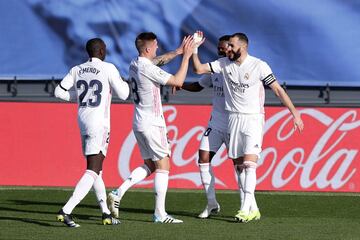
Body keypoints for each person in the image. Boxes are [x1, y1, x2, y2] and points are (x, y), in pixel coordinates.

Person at [192, 31, 304, 222]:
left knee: (250, 164)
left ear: (242, 47)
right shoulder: (223, 64)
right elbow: (199, 70)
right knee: (240, 166)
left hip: (253, 119)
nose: (228, 49)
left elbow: (277, 89)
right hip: (233, 120)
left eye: (232, 46)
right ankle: (253, 208)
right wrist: (194, 50)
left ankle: (245, 209)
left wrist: (295, 113)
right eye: (227, 46)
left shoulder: (259, 65)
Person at [107, 32, 195, 223]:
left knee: (150, 165)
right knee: (163, 166)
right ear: (148, 48)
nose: (157, 48)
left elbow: (157, 61)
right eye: (155, 45)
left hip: (139, 121)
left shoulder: (135, 63)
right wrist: (187, 56)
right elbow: (178, 81)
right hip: (153, 122)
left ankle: (118, 193)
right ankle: (160, 214)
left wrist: (178, 52)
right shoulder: (147, 67)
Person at [54, 38, 130, 227]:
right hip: (99, 123)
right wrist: (126, 82)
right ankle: (66, 210)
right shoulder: (108, 68)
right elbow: (124, 94)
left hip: (83, 120)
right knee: (93, 169)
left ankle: (105, 213)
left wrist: (78, 96)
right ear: (102, 51)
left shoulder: (77, 69)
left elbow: (58, 92)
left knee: (97, 170)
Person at [174, 35, 233, 219]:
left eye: (224, 48)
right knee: (203, 157)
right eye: (219, 49)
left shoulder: (237, 69)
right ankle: (211, 203)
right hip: (215, 122)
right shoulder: (215, 69)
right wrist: (180, 85)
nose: (221, 51)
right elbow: (199, 85)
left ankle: (248, 204)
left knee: (240, 164)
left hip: (235, 122)